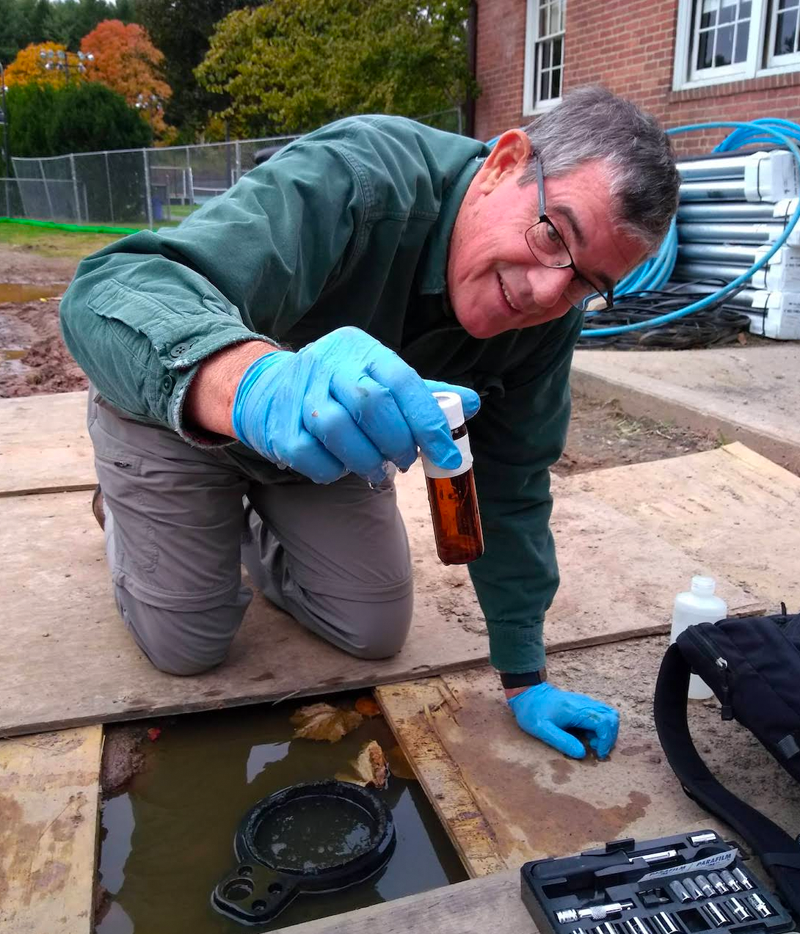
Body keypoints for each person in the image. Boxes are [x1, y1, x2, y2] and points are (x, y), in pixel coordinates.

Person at [60, 85, 680, 760]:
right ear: (504, 163)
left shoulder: (548, 318)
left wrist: (524, 675)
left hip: (314, 450)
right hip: (172, 412)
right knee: (188, 644)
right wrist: (256, 383)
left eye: (586, 283)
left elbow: (514, 486)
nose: (545, 291)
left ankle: (226, 521)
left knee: (372, 627)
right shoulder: (359, 179)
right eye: (554, 233)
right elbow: (107, 290)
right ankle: (126, 506)